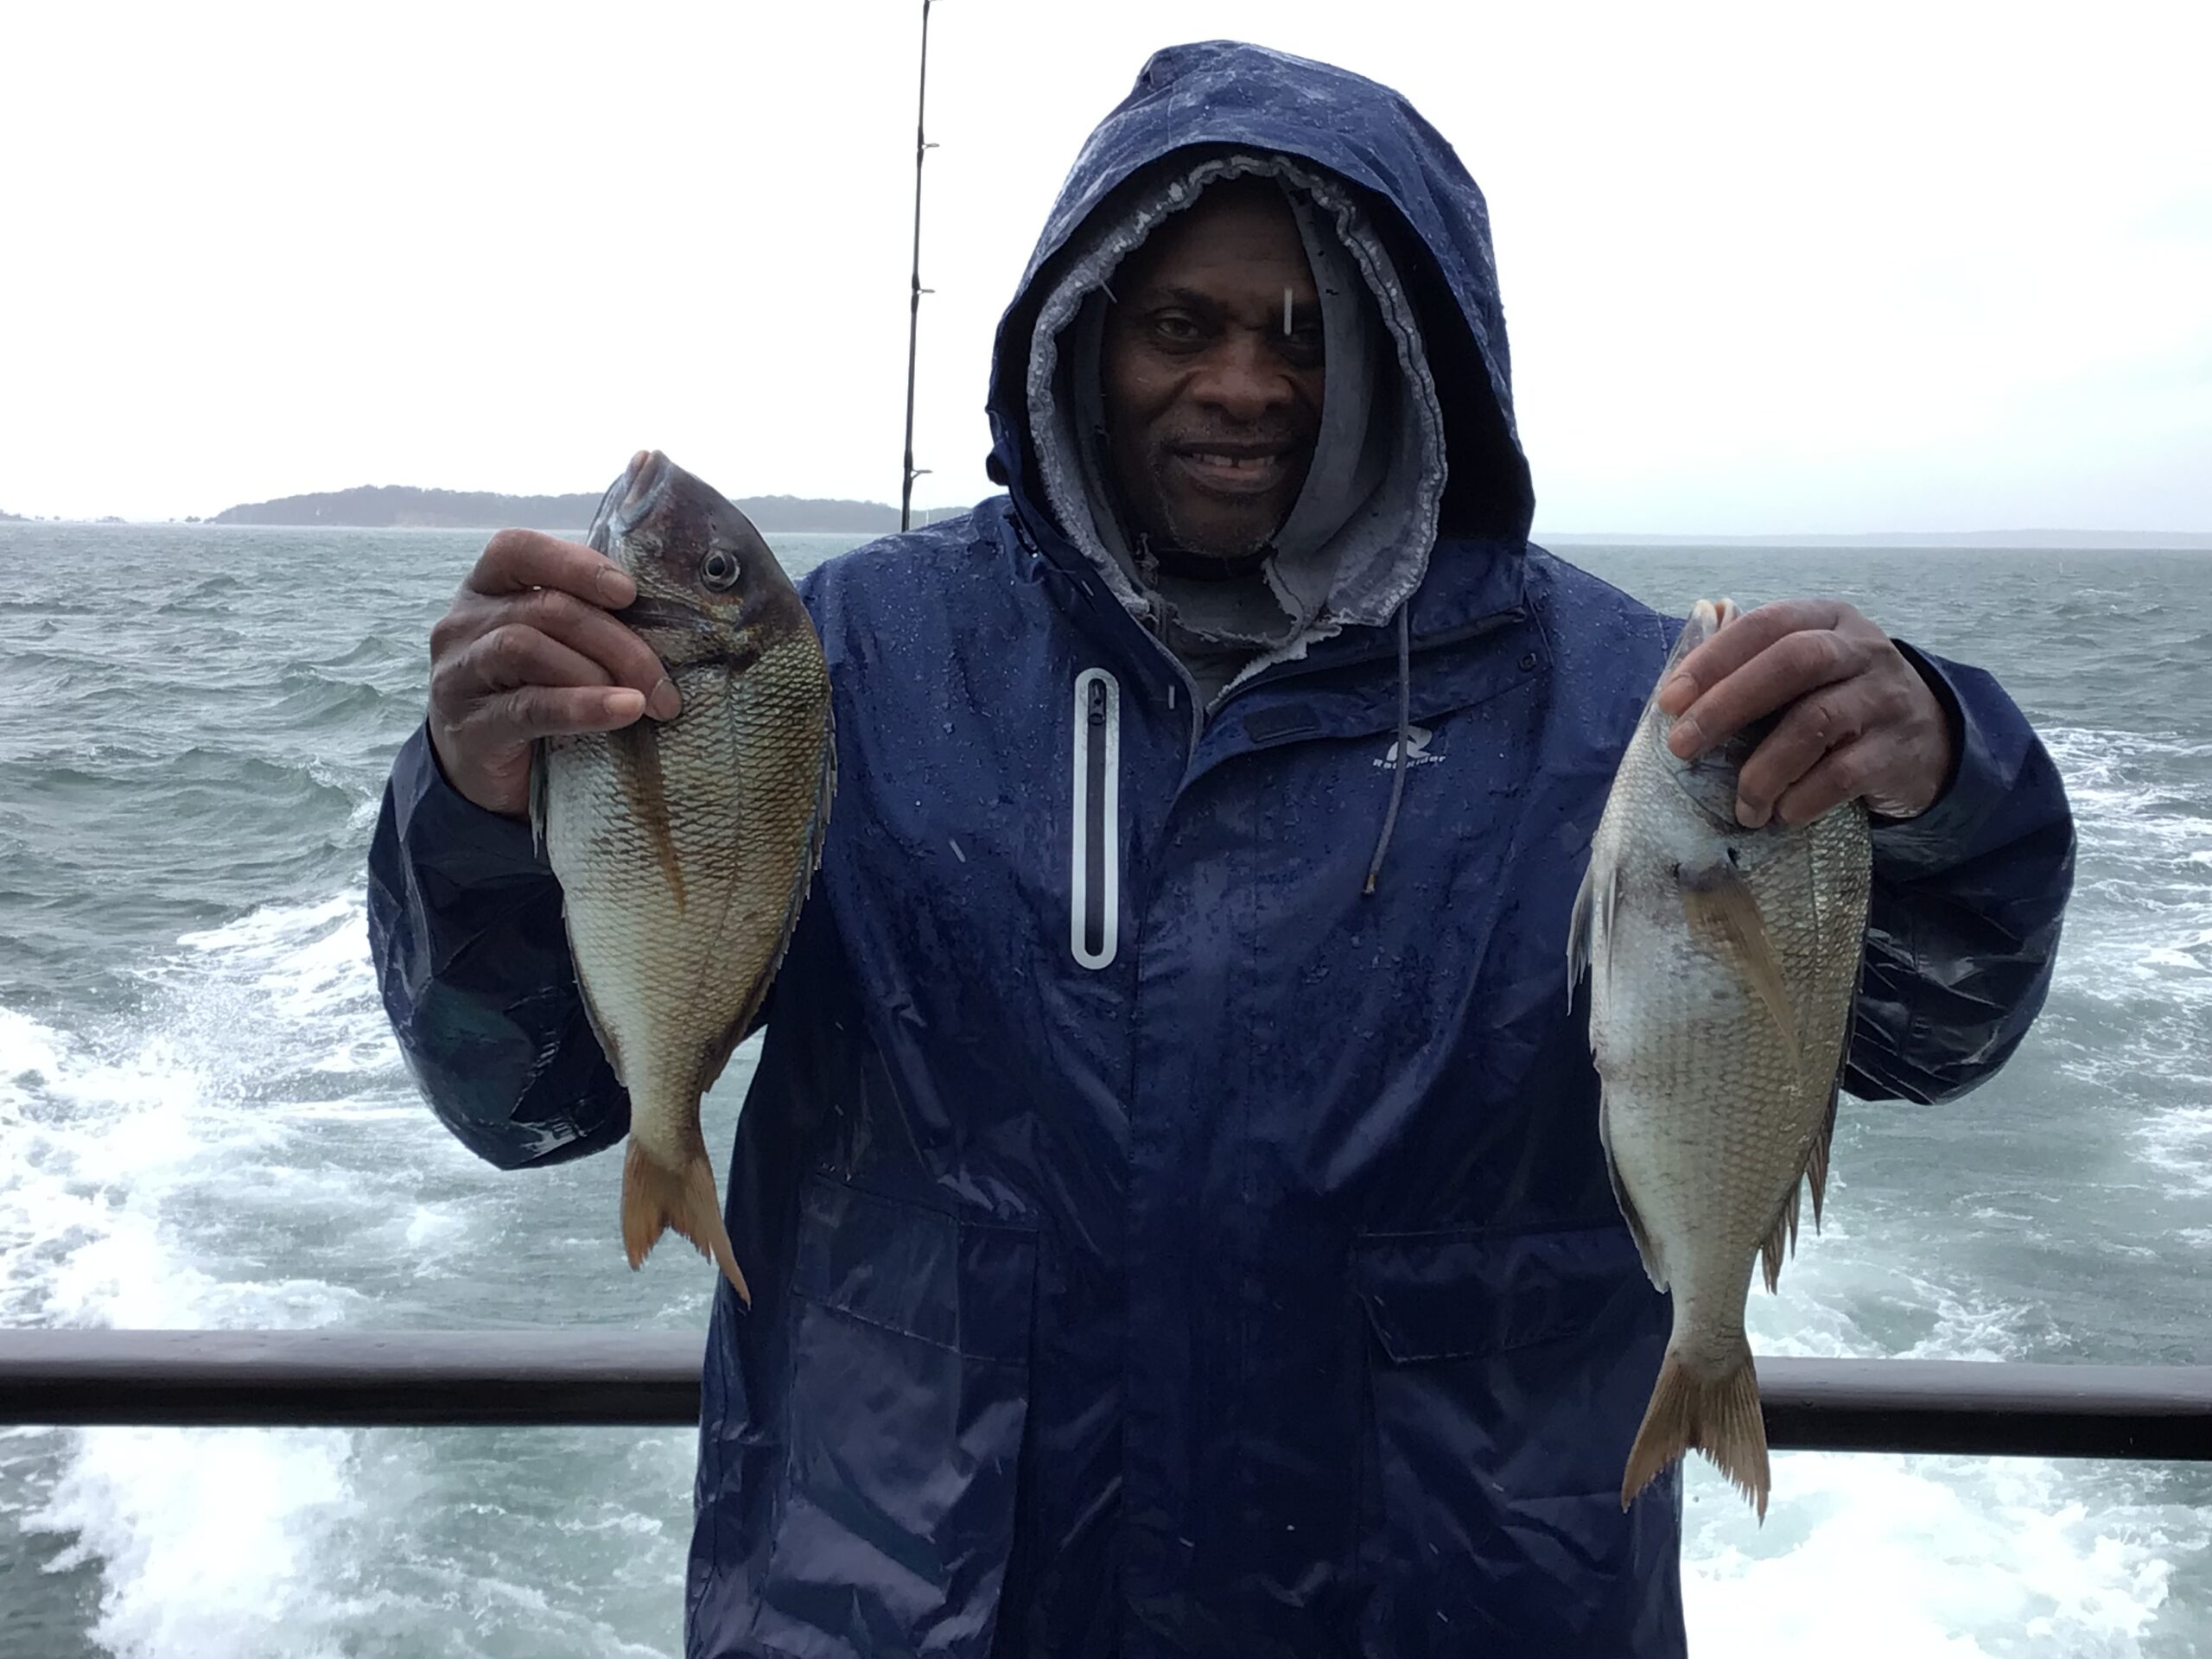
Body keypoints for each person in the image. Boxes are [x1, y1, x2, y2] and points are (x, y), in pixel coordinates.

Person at [368, 41, 2075, 1659]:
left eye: (1310, 330)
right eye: (1178, 322)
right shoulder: (846, 667)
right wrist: (483, 809)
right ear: (1083, 335)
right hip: (903, 1599)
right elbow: (528, 1100)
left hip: (1461, 1603)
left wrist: (1942, 788)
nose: (1245, 383)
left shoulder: (1646, 714)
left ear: (1411, 352)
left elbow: (1925, 1038)